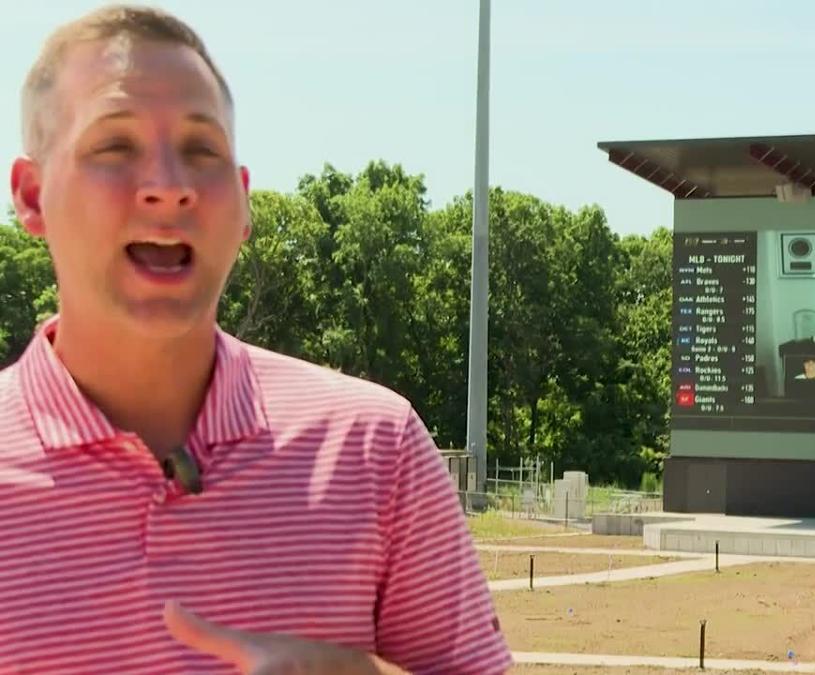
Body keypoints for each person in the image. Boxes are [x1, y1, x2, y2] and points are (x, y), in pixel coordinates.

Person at [2, 5, 510, 673]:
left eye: (201, 150)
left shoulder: (376, 448)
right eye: (114, 146)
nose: (169, 187)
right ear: (32, 195)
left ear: (242, 204)